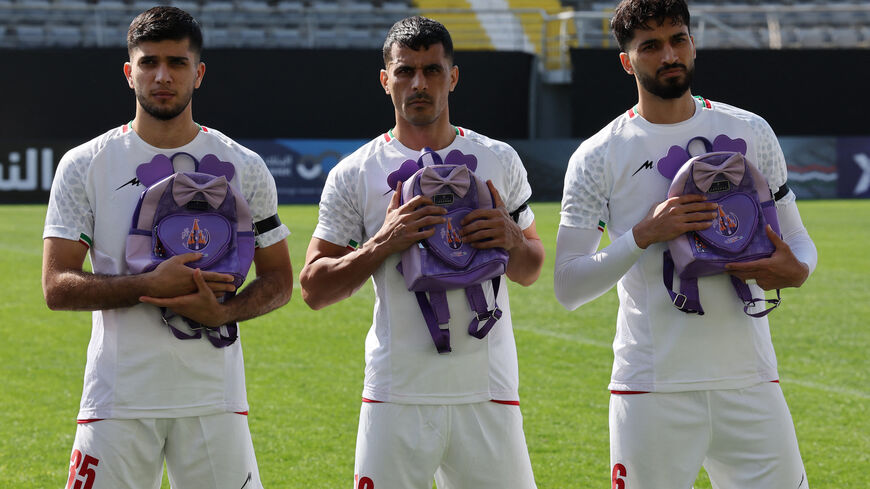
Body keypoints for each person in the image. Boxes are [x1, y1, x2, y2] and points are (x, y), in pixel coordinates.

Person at [555, 1, 817, 488]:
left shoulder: (749, 130)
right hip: (652, 388)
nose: (668, 54)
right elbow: (568, 284)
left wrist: (798, 269)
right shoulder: (598, 155)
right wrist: (643, 235)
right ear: (627, 61)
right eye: (650, 46)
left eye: (678, 39)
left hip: (750, 380)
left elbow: (799, 241)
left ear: (693, 43)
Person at [41, 7, 292, 489]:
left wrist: (224, 313)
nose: (162, 76)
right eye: (148, 62)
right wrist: (146, 286)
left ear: (197, 74)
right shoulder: (86, 164)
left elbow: (281, 279)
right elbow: (56, 286)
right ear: (127, 72)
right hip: (117, 400)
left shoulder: (244, 164)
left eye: (177, 63)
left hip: (213, 400)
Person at [299, 16, 544, 489]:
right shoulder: (355, 173)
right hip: (396, 391)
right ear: (384, 80)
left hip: (487, 390)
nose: (419, 83)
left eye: (432, 71)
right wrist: (383, 244)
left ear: (452, 77)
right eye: (405, 70)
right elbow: (313, 288)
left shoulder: (499, 159)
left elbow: (531, 269)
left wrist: (512, 239)